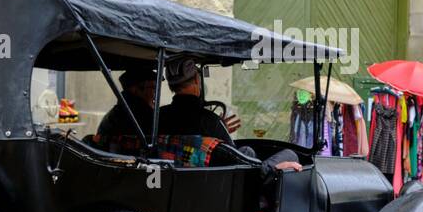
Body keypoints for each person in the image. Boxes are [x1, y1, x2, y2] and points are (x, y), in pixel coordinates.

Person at [158, 57, 301, 172]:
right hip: (217, 185)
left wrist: (219, 129)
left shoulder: (159, 117)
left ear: (172, 87)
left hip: (179, 179)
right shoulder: (210, 121)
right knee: (286, 154)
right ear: (197, 80)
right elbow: (235, 158)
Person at [94, 66, 156, 143]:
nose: (155, 93)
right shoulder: (139, 115)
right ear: (135, 90)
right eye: (153, 87)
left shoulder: (119, 111)